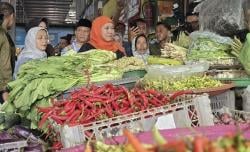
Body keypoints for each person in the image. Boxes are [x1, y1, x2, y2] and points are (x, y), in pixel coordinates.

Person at [0, 2, 16, 103]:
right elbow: (4, 64)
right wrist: (4, 89)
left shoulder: (5, 34)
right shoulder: (2, 35)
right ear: (11, 16)